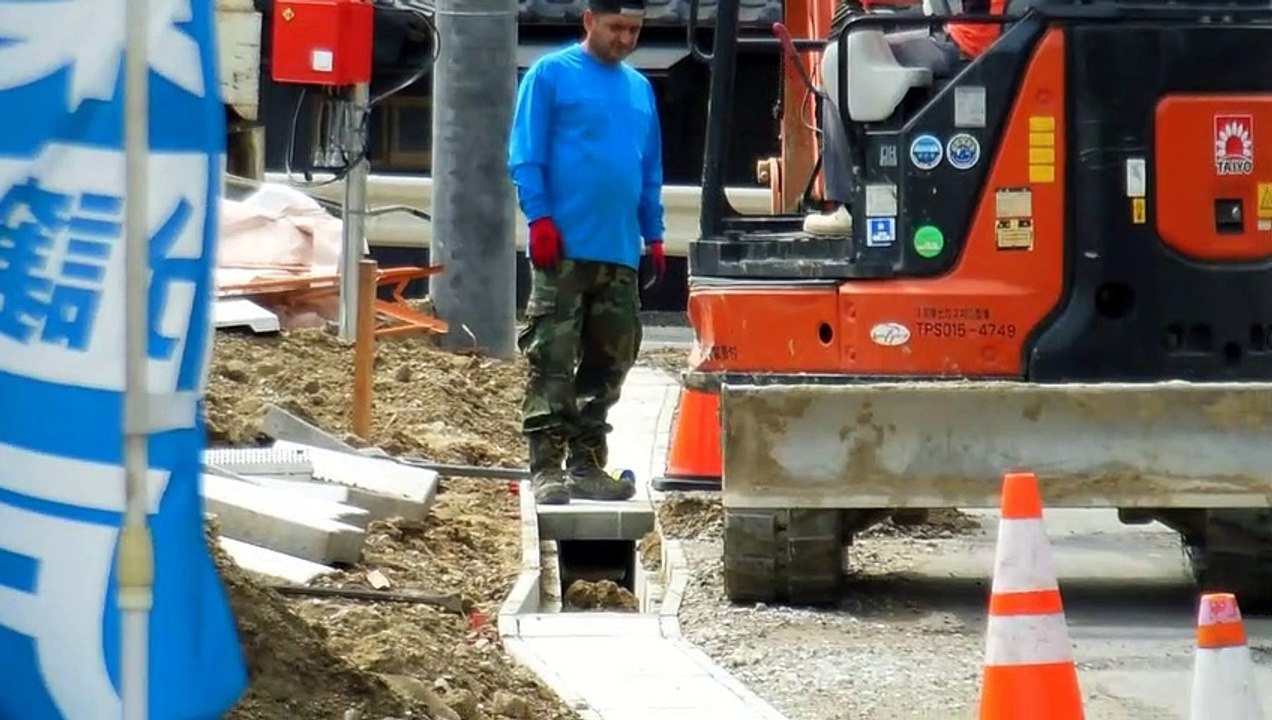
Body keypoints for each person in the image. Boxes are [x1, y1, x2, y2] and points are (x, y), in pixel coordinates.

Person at [507, 0, 667, 506]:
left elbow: (649, 172)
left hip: (618, 249)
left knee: (609, 360)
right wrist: (540, 217)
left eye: (634, 30)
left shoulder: (640, 90)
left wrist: (654, 233)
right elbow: (525, 154)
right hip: (565, 248)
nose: (625, 39)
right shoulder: (550, 75)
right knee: (552, 355)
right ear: (589, 21)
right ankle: (546, 468)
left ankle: (586, 464)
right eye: (616, 27)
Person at [803, 0, 1006, 236]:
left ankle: (848, 206)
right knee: (852, 54)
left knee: (841, 65)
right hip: (964, 34)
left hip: (966, 41)